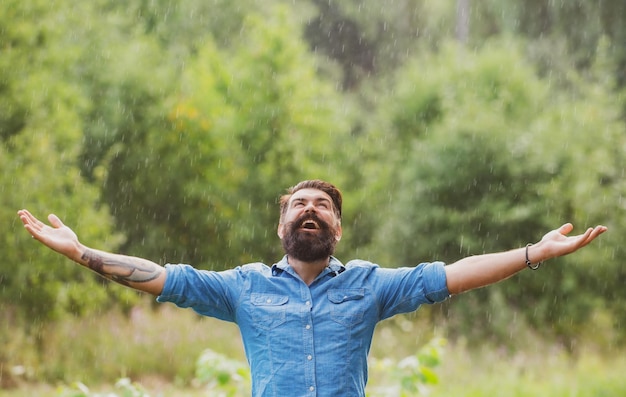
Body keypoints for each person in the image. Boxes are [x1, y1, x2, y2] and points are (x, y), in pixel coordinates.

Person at [18, 179, 607, 397]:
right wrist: (81, 252)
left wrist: (533, 253)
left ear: (337, 227)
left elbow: (454, 273)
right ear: (281, 227)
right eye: (299, 204)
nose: (311, 210)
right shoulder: (241, 288)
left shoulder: (372, 285)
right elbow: (163, 279)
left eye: (322, 205)